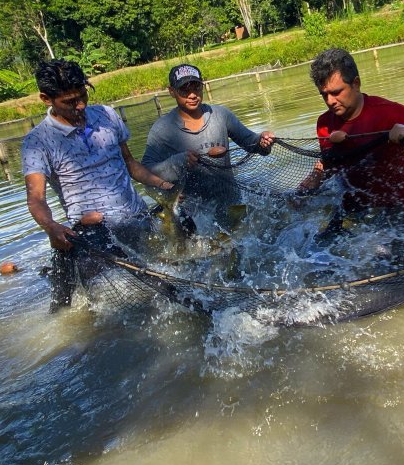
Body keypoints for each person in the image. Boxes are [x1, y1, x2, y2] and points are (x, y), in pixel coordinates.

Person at [22, 60, 173, 308]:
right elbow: (36, 198)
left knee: (166, 280)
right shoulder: (37, 142)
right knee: (118, 305)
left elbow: (131, 164)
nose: (80, 105)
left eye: (83, 95)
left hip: (137, 218)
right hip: (95, 237)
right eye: (70, 102)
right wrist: (51, 226)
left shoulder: (106, 115)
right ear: (46, 99)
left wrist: (165, 188)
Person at [300, 48, 404, 213]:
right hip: (352, 212)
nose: (330, 101)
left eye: (336, 92)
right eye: (324, 95)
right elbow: (330, 166)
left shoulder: (389, 112)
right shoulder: (324, 124)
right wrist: (314, 176)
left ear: (356, 84)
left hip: (400, 210)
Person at [141, 63, 275, 218]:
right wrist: (177, 163)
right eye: (184, 90)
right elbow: (146, 174)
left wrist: (263, 141)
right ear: (172, 91)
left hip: (231, 202)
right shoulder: (162, 129)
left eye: (196, 88)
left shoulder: (220, 115)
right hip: (194, 214)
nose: (192, 95)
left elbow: (252, 144)